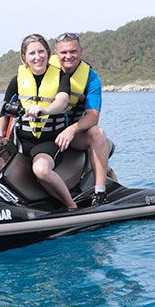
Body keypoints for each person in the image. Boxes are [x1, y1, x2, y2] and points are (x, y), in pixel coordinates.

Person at [0, 34, 77, 209]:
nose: (37, 57)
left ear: (48, 54)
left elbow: (62, 101)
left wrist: (45, 110)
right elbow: (3, 112)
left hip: (50, 141)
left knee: (41, 170)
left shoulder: (61, 77)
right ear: (24, 57)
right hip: (23, 142)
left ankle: (72, 207)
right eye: (32, 53)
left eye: (41, 52)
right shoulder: (17, 80)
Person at [52, 32, 110, 206]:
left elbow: (93, 116)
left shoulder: (91, 78)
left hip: (74, 135)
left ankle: (100, 193)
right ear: (56, 54)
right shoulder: (45, 72)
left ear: (81, 51)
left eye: (73, 51)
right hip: (45, 133)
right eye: (63, 52)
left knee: (97, 133)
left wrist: (72, 130)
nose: (68, 56)